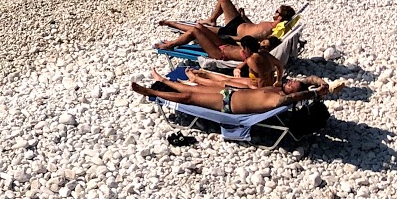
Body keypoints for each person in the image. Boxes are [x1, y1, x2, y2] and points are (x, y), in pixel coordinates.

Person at [131, 73, 338, 115]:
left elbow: (294, 97)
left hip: (227, 104)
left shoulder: (280, 98)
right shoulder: (279, 88)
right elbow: (308, 79)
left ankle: (151, 91)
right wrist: (321, 83)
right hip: (230, 93)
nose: (292, 82)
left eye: (294, 84)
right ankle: (164, 80)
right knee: (193, 89)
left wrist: (312, 95)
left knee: (189, 98)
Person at [158, 0, 297, 59]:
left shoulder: (271, 32)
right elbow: (254, 28)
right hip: (238, 24)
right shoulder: (272, 25)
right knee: (223, 0)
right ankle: (211, 19)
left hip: (231, 36)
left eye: (277, 11)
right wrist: (244, 17)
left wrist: (232, 38)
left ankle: (172, 29)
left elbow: (250, 40)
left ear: (280, 17)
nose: (274, 12)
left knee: (197, 29)